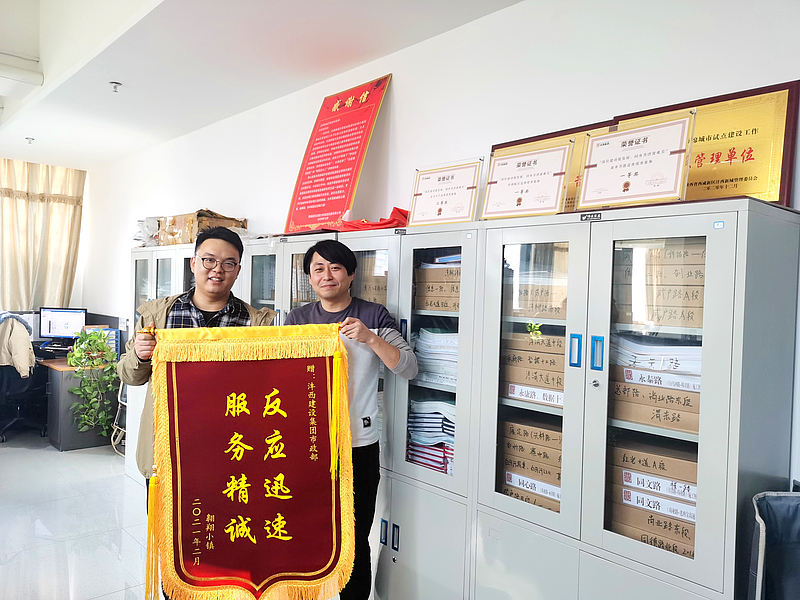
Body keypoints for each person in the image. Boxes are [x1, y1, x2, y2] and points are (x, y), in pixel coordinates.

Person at [284, 240, 417, 600]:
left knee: (355, 538)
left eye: (335, 268)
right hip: (308, 447)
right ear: (309, 278)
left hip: (358, 445)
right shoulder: (297, 320)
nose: (326, 275)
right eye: (318, 269)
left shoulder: (373, 315)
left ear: (351, 274)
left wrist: (370, 338)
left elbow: (408, 367)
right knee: (304, 532)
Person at [118, 226, 277, 487]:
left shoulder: (256, 323)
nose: (217, 270)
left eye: (228, 263)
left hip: (232, 447)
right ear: (193, 263)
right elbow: (129, 376)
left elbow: (267, 385)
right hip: (169, 447)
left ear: (238, 270)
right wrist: (139, 355)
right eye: (209, 260)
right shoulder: (158, 315)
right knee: (169, 514)